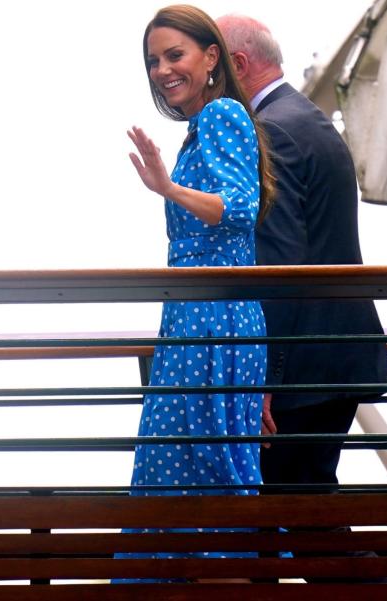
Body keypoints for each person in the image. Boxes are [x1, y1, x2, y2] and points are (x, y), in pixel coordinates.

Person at [117, 4, 276, 578]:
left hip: (211, 323)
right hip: (202, 321)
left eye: (174, 55)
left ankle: (205, 584)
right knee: (192, 469)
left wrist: (167, 188)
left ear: (212, 58)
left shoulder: (222, 114)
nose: (162, 70)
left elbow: (237, 210)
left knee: (194, 472)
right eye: (154, 61)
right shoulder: (201, 127)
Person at [217, 12, 387, 510]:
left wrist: (265, 380)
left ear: (237, 63)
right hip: (331, 355)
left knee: (297, 516)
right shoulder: (304, 118)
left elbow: (280, 261)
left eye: (214, 64)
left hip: (304, 368)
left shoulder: (269, 132)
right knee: (295, 513)